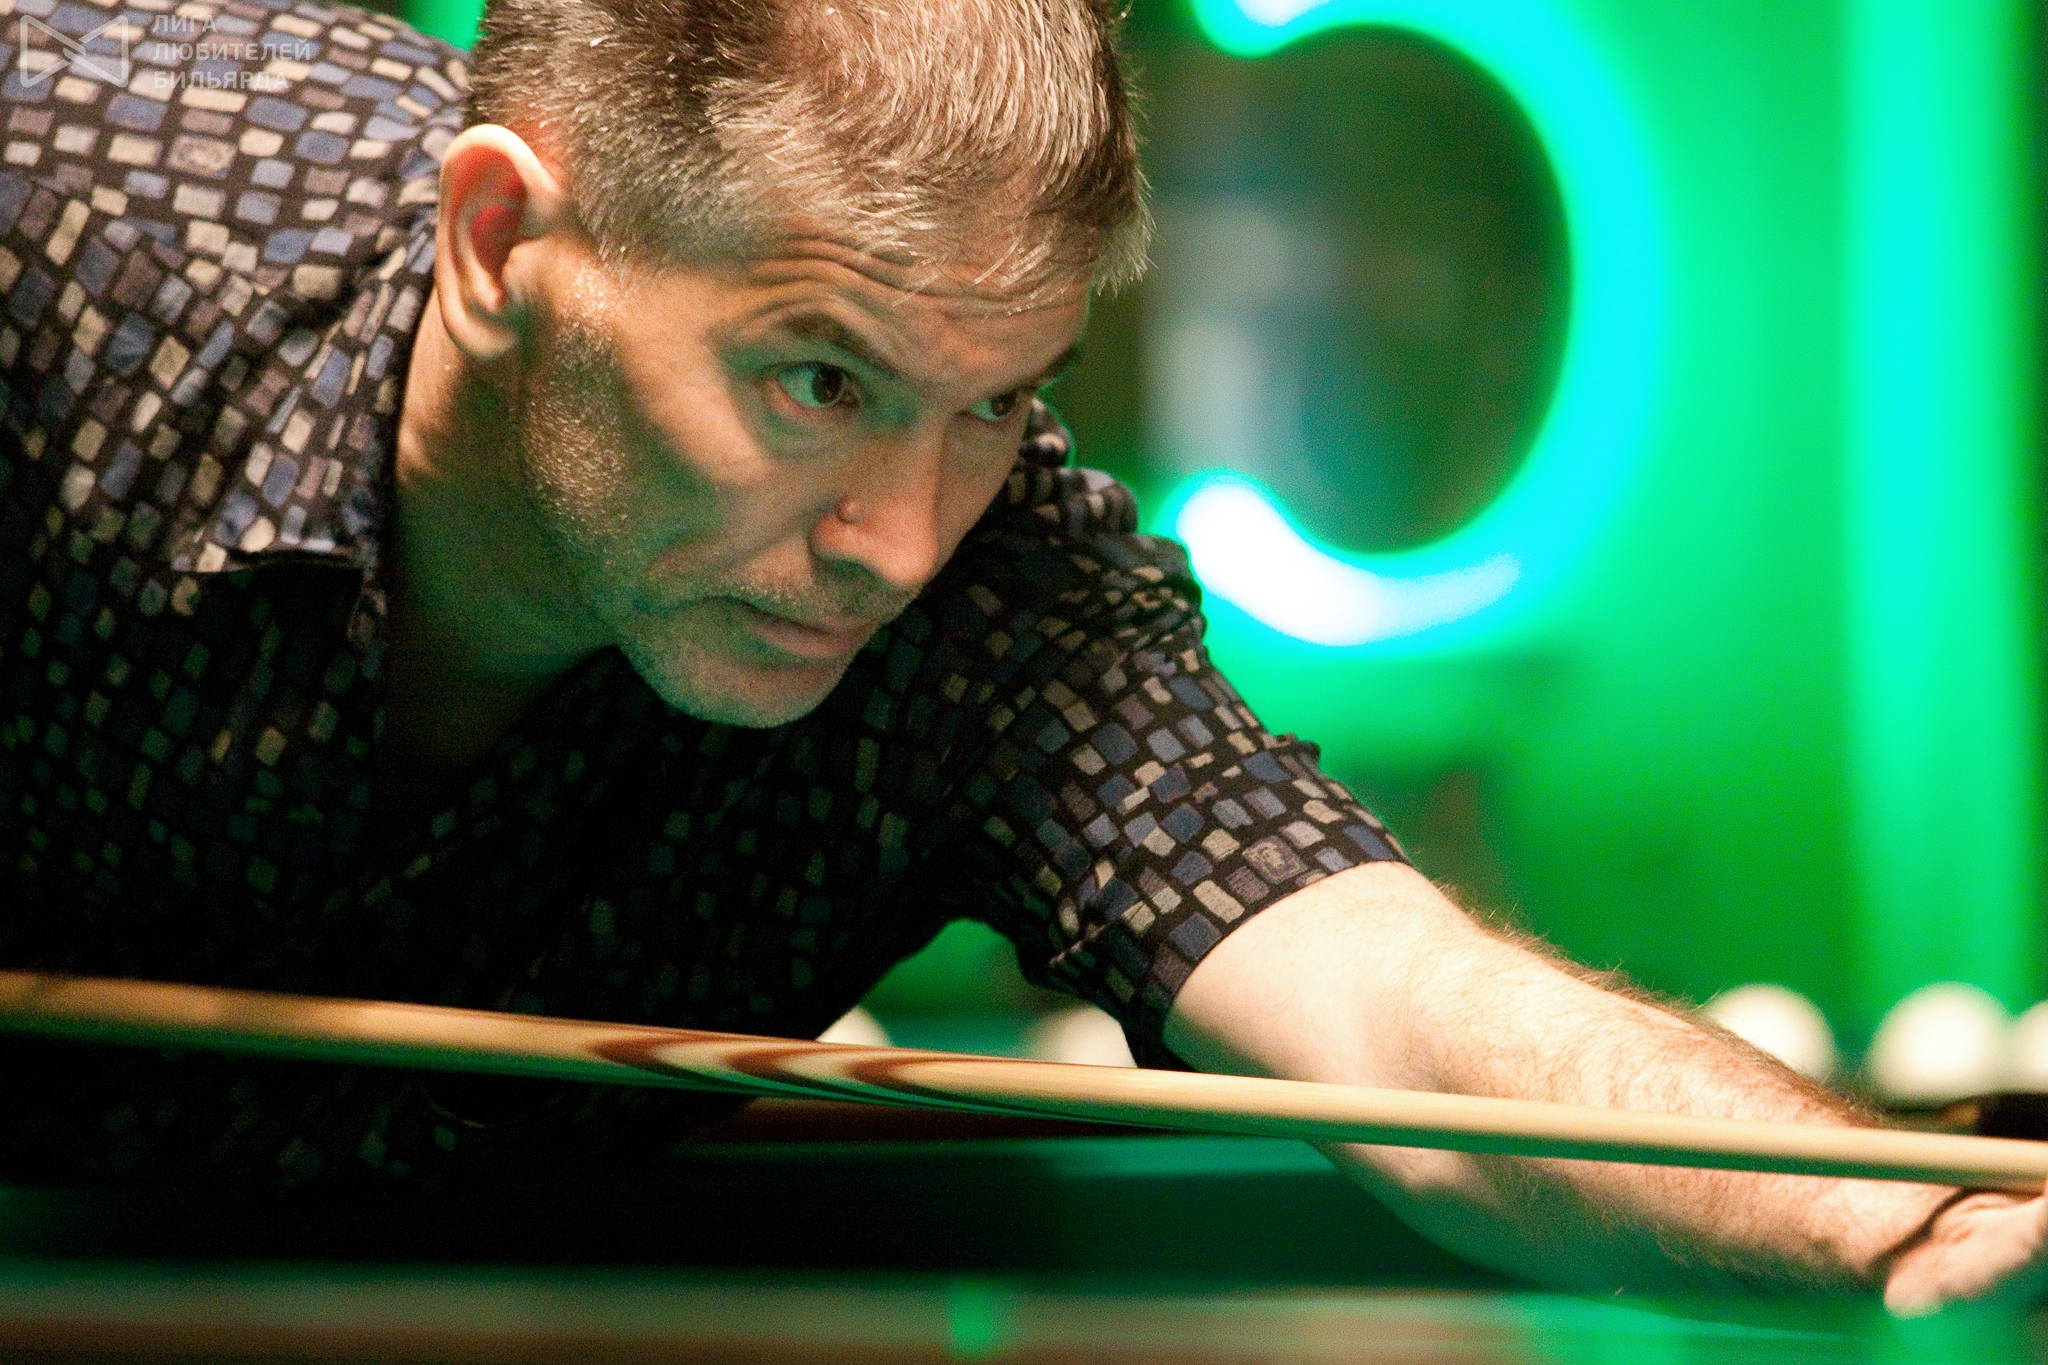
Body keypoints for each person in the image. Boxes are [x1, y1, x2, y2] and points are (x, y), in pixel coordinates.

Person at [0, 0, 2037, 1314]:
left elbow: (1394, 1015)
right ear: (502, 244)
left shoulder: (998, 600)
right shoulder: (63, 222)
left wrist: (1889, 1208)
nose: (902, 538)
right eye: (819, 379)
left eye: (991, 399)